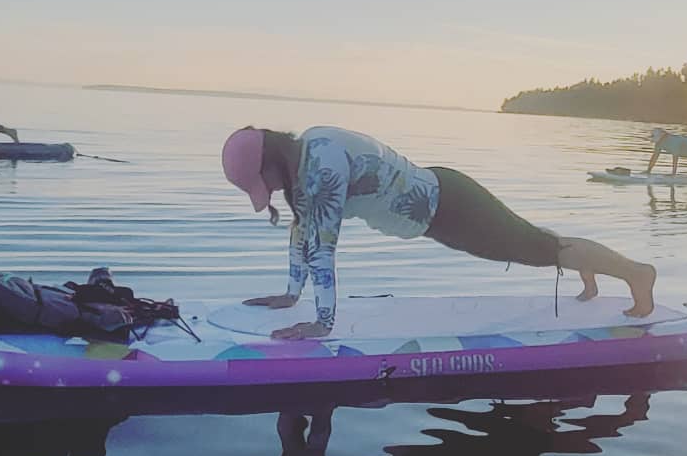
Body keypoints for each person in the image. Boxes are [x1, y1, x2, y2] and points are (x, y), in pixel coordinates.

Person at [221, 125, 656, 340]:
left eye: (265, 182)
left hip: (451, 210)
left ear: (272, 161)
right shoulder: (309, 152)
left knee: (538, 249)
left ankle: (637, 273)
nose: (272, 191)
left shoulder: (323, 168)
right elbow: (304, 231)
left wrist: (323, 323)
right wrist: (290, 295)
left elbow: (324, 247)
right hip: (442, 205)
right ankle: (588, 269)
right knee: (536, 244)